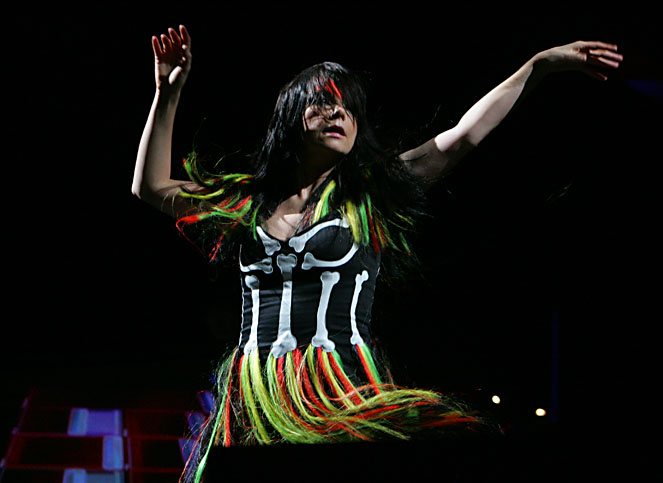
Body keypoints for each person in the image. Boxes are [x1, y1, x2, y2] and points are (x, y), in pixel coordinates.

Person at [132, 25, 622, 483]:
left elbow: (462, 136)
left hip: (339, 390)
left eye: (347, 109)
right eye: (323, 103)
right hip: (255, 398)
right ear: (291, 117)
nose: (338, 114)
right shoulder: (247, 202)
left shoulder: (369, 196)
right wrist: (167, 93)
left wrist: (537, 65)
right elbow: (150, 187)